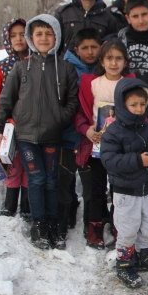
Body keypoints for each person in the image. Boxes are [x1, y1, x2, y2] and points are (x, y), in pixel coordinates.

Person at [0, 14, 79, 250]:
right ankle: (39, 224)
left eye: (48, 33)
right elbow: (5, 100)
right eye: (38, 34)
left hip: (52, 136)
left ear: (56, 37)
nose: (43, 38)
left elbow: (73, 101)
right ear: (31, 38)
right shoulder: (21, 68)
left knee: (51, 180)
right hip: (26, 137)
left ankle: (53, 224)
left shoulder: (66, 69)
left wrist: (58, 119)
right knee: (36, 178)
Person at [100, 78, 148, 289]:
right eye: (133, 104)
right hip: (125, 192)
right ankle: (124, 262)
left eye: (142, 104)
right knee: (128, 230)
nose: (139, 109)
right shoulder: (113, 132)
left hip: (147, 188)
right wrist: (139, 160)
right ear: (122, 105)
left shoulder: (146, 128)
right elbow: (109, 160)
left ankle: (143, 254)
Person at [74, 39, 134, 249]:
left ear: (125, 61)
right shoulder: (91, 83)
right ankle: (95, 226)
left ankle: (119, 226)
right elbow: (80, 113)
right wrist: (87, 130)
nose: (114, 63)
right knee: (96, 188)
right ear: (102, 61)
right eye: (109, 58)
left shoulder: (130, 84)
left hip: (122, 147)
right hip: (97, 145)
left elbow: (139, 113)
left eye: (118, 58)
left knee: (119, 188)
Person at [0, 18, 31, 220]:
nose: (19, 39)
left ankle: (28, 204)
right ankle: (10, 201)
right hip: (9, 125)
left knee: (30, 163)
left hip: (31, 123)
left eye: (22, 34)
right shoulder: (2, 67)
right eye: (13, 35)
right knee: (10, 162)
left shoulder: (37, 62)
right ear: (7, 39)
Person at [60, 28, 102, 233]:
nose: (90, 51)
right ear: (76, 50)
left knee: (90, 184)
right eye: (85, 48)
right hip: (69, 132)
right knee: (66, 179)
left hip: (93, 135)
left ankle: (90, 223)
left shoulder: (102, 69)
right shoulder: (66, 68)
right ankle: (67, 216)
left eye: (94, 47)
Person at [55, 0, 119, 54]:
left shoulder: (109, 18)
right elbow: (54, 47)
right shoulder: (62, 14)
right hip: (66, 66)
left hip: (97, 67)